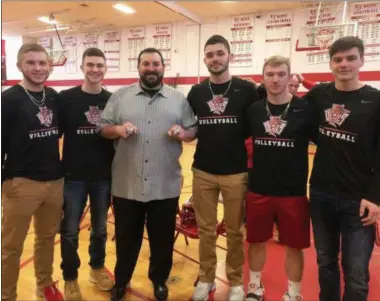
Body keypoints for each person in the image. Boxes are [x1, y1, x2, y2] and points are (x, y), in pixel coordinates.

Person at [98, 47, 198, 301]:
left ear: (163, 67)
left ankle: (159, 281)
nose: (150, 68)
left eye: (155, 64)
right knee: (126, 240)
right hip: (127, 184)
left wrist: (183, 134)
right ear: (139, 67)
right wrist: (118, 129)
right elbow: (102, 127)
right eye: (146, 64)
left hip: (164, 184)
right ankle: (122, 281)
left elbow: (192, 130)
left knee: (162, 241)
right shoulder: (120, 96)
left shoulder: (178, 99)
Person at [304, 36, 380, 301]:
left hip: (358, 200)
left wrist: (375, 197)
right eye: (337, 59)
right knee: (325, 264)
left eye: (350, 58)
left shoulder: (376, 100)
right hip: (322, 194)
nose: (344, 64)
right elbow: (302, 122)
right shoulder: (319, 95)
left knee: (356, 273)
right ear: (330, 63)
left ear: (362, 60)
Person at [187, 35, 260, 301]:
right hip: (202, 170)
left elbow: (260, 123)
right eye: (210, 55)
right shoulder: (196, 92)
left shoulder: (246, 90)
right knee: (205, 230)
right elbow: (193, 127)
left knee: (234, 231)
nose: (215, 59)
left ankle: (236, 282)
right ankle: (206, 279)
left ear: (230, 56)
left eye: (220, 53)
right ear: (205, 59)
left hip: (236, 171)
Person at [245, 56, 316, 301]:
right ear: (262, 78)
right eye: (270, 74)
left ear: (290, 77)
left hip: (293, 192)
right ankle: (254, 288)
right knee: (256, 241)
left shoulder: (305, 110)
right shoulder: (254, 110)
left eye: (281, 74)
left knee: (294, 247)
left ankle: (293, 293)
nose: (275, 79)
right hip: (258, 189)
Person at [1, 43, 64, 301]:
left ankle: (44, 284)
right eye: (31, 63)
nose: (37, 68)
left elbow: (56, 134)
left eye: (42, 63)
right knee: (11, 247)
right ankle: (7, 294)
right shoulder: (7, 100)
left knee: (47, 238)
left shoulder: (54, 98)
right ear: (19, 66)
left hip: (54, 182)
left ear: (50, 65)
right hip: (21, 183)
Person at [58, 48, 115, 300]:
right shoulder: (66, 99)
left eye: (99, 65)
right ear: (82, 67)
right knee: (69, 230)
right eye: (90, 64)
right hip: (73, 176)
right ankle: (70, 278)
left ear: (105, 68)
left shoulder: (112, 99)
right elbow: (52, 135)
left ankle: (97, 268)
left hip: (103, 176)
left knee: (100, 229)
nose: (95, 69)